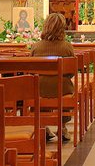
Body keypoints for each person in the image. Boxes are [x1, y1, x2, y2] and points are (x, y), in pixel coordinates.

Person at [29, 11, 75, 142]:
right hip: (61, 90)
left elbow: (31, 71)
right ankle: (62, 126)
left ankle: (43, 126)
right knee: (66, 86)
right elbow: (71, 72)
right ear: (62, 29)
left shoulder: (36, 47)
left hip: (39, 90)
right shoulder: (67, 47)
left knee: (38, 86)